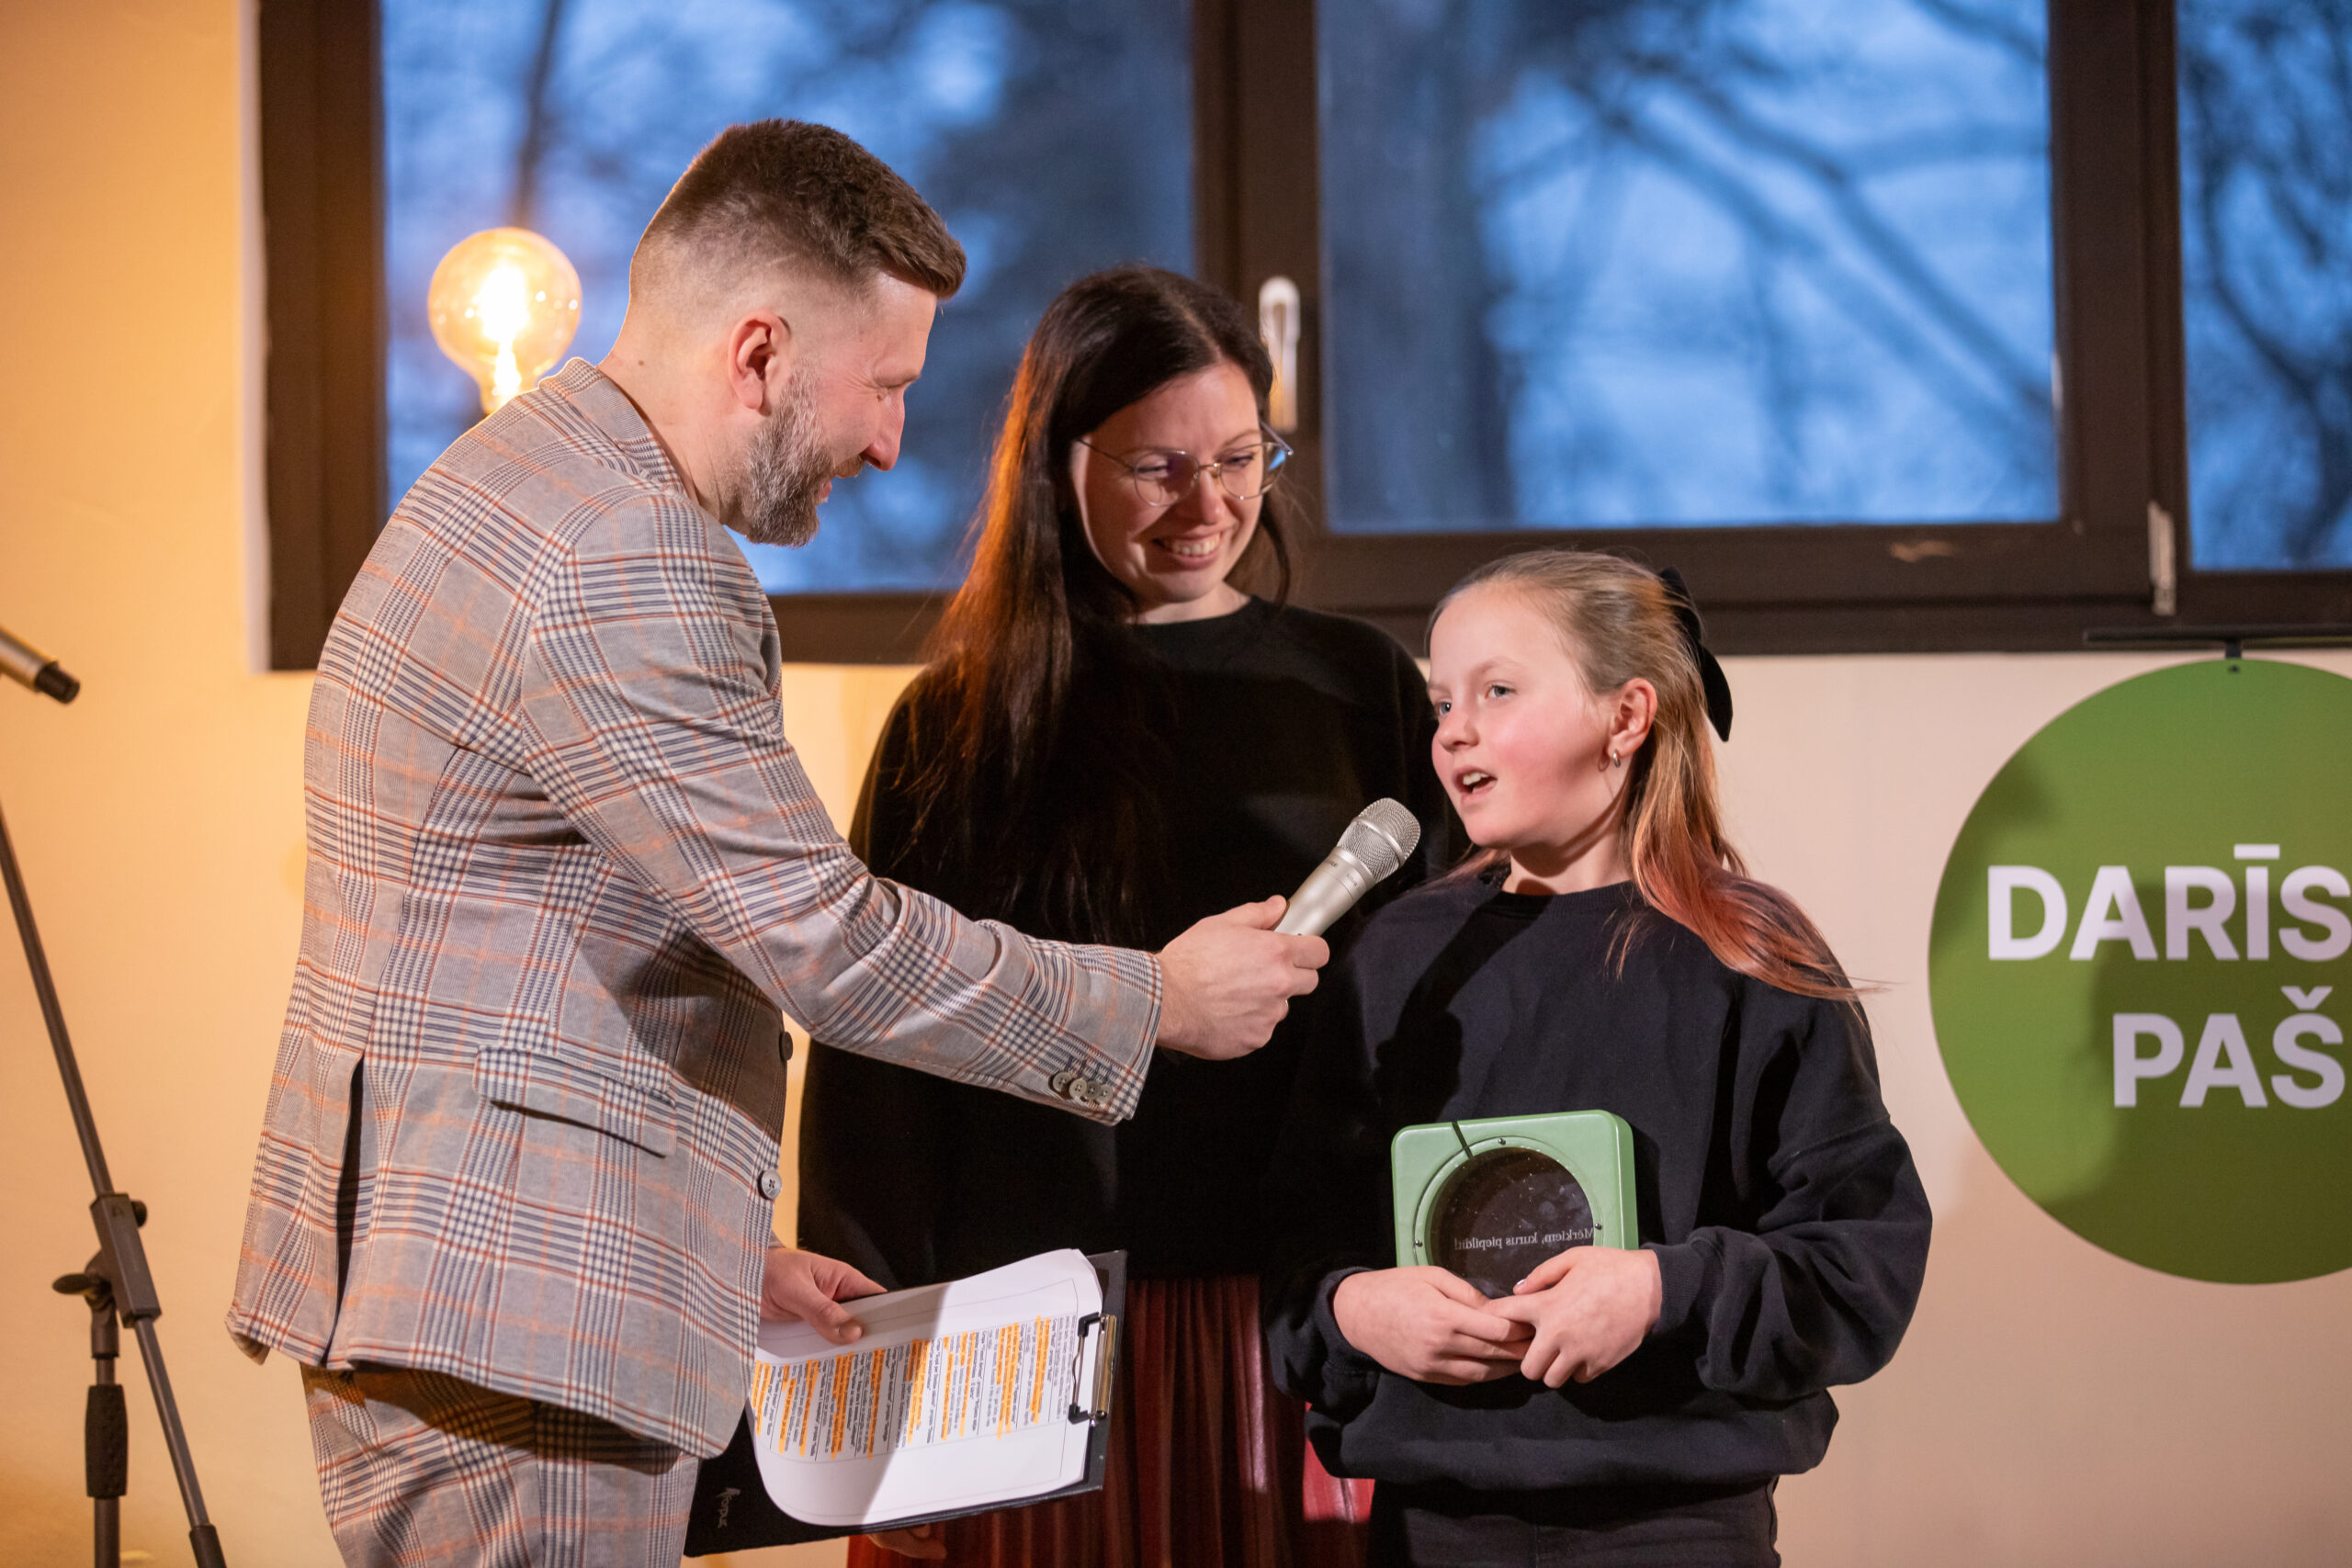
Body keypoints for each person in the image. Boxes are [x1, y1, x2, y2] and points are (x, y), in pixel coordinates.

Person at [224, 124, 1328, 1568]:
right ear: (759, 353)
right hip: (523, 1330)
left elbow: (527, 965)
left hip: (473, 1286)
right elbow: (828, 939)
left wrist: (715, 1246)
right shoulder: (631, 553)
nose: (889, 440)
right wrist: (1154, 1000)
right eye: (887, 383)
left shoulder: (506, 485)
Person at [797, 265, 1455, 1567]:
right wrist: (865, 1391)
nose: (1208, 507)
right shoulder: (960, 724)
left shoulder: (1362, 687)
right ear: (1061, 461)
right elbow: (878, 1069)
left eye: (1239, 459)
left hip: (1303, 1320)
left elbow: (1444, 1018)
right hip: (1031, 1344)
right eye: (1158, 468)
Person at [1262, 549, 1931, 1567]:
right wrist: (1355, 1308)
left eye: (1497, 691)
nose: (1453, 731)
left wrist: (1663, 1290)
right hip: (1432, 1523)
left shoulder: (1746, 956)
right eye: (1442, 702)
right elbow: (1298, 1246)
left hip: (1677, 1527)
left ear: (1625, 717)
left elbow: (1858, 1264)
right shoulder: (1397, 957)